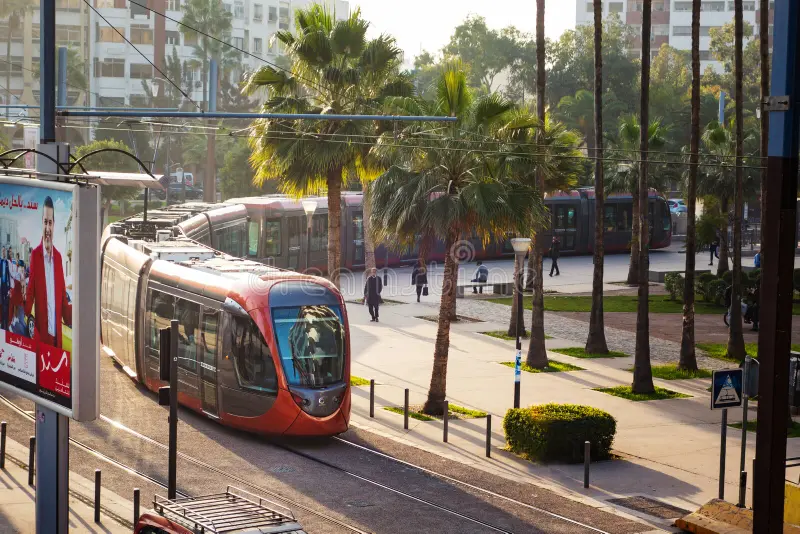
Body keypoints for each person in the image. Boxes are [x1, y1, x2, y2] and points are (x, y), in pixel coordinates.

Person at [25, 196, 72, 348]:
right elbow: (31, 291)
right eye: (45, 222)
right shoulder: (35, 255)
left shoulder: (58, 257)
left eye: (50, 223)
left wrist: (77, 315)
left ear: (54, 225)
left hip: (57, 340)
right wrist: (23, 311)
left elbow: (63, 298)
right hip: (42, 337)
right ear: (42, 223)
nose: (47, 228)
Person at [0, 247, 8, 330]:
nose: (3, 253)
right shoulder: (1, 261)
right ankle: (2, 322)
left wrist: (9, 287)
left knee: (6, 304)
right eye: (2, 251)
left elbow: (8, 274)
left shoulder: (7, 262)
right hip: (1, 286)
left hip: (6, 286)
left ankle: (6, 322)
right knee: (2, 304)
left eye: (4, 251)